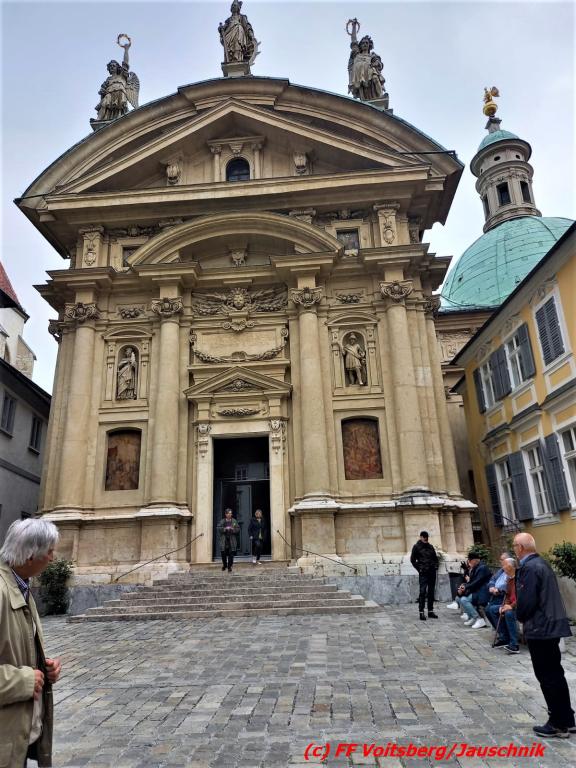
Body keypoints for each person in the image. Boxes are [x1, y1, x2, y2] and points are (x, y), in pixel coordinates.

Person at [0, 518, 62, 767]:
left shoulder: (20, 586)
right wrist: (23, 680)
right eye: (49, 552)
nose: (52, 559)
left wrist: (43, 666)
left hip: (14, 735)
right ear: (29, 557)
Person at [514, 532, 575, 738]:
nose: (514, 550)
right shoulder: (542, 563)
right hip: (551, 625)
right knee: (556, 674)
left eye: (514, 546)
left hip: (540, 628)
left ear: (520, 548)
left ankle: (558, 724)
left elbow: (527, 601)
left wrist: (520, 615)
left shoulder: (529, 568)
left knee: (547, 676)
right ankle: (567, 719)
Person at [457, 551, 491, 629]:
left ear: (475, 560)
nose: (469, 562)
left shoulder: (482, 568)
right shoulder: (476, 567)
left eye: (470, 560)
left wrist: (466, 587)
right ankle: (472, 618)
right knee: (460, 598)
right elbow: (471, 581)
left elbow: (477, 581)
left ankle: (478, 618)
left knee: (464, 600)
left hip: (482, 593)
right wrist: (463, 586)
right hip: (477, 591)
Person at [410, 531, 439, 621]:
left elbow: (435, 558)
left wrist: (435, 566)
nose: (426, 539)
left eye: (427, 537)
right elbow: (412, 560)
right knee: (422, 592)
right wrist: (419, 569)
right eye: (424, 537)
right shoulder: (416, 547)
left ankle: (430, 611)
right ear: (421, 537)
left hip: (432, 572)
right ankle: (421, 612)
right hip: (423, 573)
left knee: (431, 592)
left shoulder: (430, 547)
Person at [495, 558, 519, 654]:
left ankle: (514, 644)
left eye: (504, 565)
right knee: (491, 610)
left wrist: (511, 606)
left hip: (520, 607)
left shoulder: (519, 578)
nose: (502, 567)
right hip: (511, 605)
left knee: (509, 613)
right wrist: (504, 605)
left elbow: (522, 597)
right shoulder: (509, 579)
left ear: (510, 566)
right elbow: (508, 595)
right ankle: (504, 637)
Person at [218, 509, 240, 573]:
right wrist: (225, 529)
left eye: (231, 513)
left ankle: (229, 566)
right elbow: (219, 528)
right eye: (228, 513)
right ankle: (225, 565)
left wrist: (233, 529)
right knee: (223, 553)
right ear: (226, 514)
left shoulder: (234, 521)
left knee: (231, 553)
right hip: (224, 539)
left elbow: (238, 529)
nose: (230, 514)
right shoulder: (222, 521)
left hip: (232, 539)